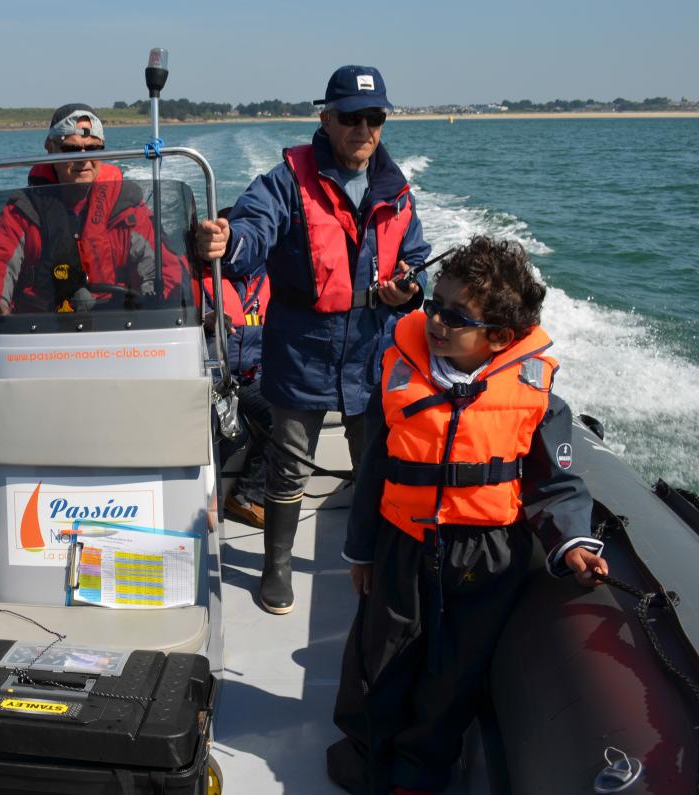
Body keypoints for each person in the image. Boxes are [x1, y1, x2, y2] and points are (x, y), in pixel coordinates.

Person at [325, 236, 608, 795]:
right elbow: (375, 469)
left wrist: (574, 541)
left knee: (453, 675)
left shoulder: (536, 396)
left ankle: (419, 772)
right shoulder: (400, 374)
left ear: (499, 336)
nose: (436, 320)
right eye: (436, 305)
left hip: (488, 556)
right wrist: (361, 551)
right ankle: (366, 757)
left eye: (456, 316)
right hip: (403, 544)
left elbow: (553, 483)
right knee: (378, 660)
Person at [194, 65, 431, 614]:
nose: (363, 129)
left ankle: (369, 561)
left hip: (372, 349)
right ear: (326, 119)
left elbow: (415, 256)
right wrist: (227, 241)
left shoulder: (397, 191)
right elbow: (252, 231)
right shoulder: (284, 182)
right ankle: (276, 567)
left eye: (374, 118)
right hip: (303, 346)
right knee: (289, 463)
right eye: (351, 117)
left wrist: (409, 287)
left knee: (373, 462)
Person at [0, 103, 187, 317]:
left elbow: (163, 268)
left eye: (93, 149)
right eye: (71, 149)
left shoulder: (127, 210)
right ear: (50, 148)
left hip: (117, 324)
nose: (83, 159)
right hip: (43, 327)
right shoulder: (22, 213)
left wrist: (164, 305)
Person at [203, 208, 273, 528]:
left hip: (252, 378)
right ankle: (202, 502)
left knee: (283, 419)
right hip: (213, 379)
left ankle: (246, 495)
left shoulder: (271, 277)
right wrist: (204, 321)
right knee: (225, 432)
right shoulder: (198, 279)